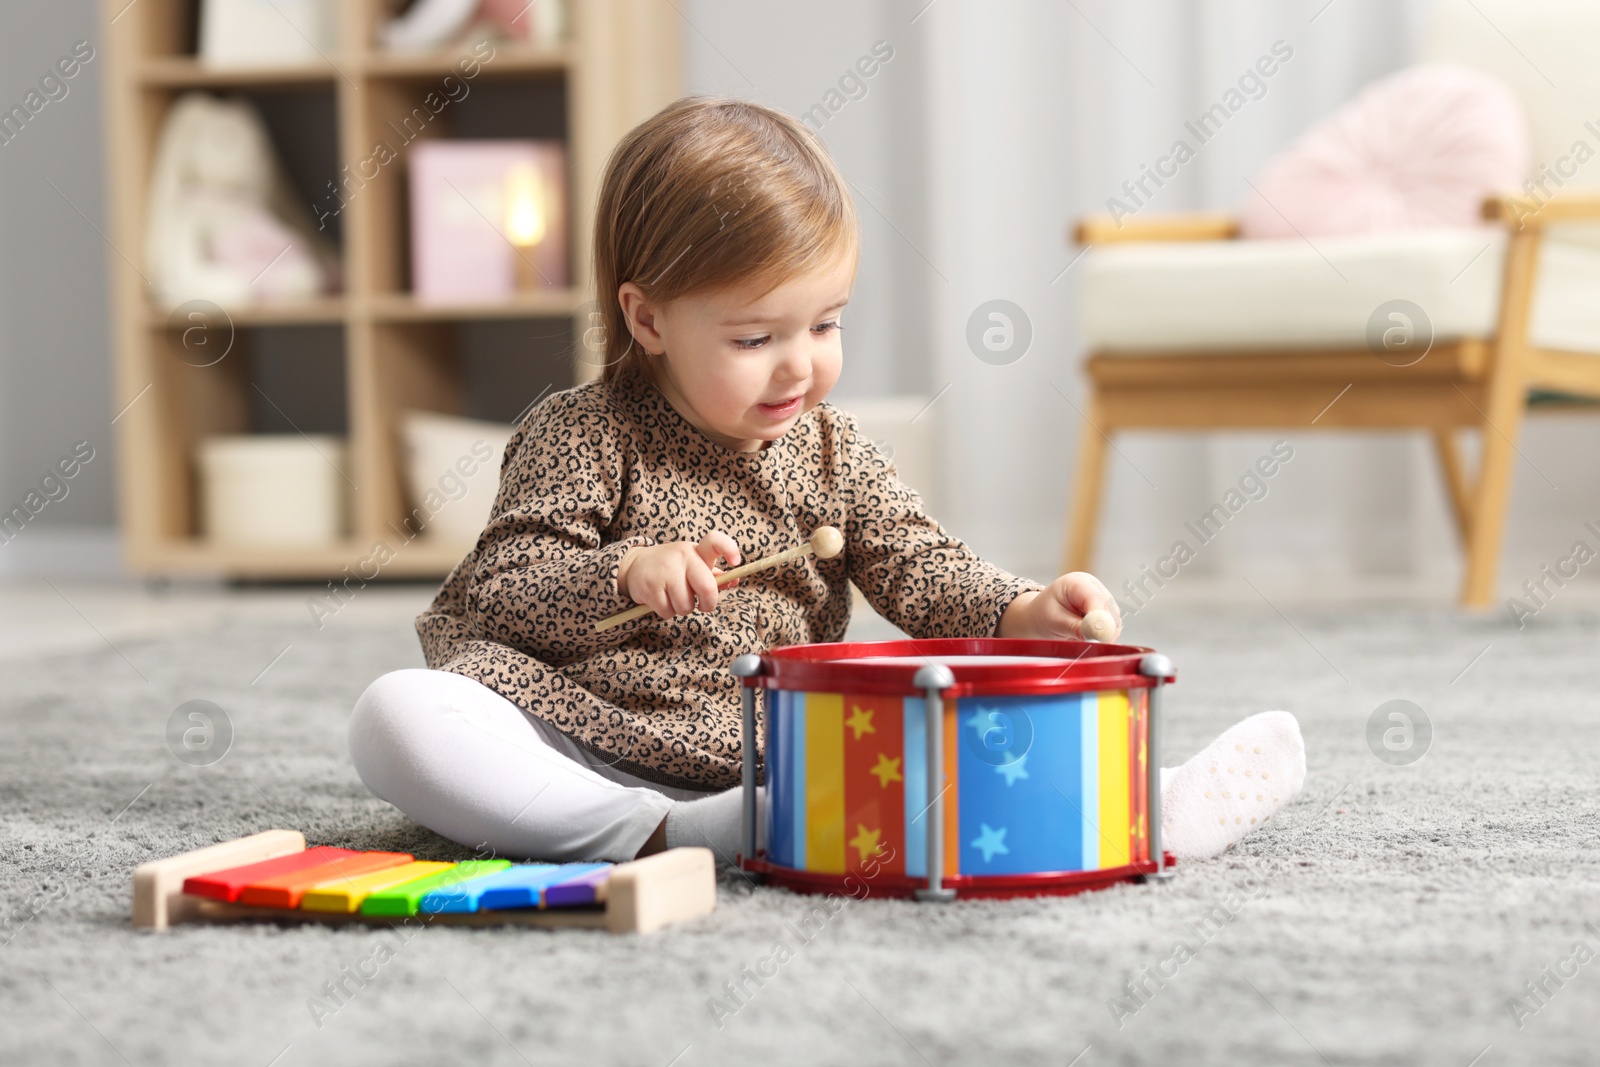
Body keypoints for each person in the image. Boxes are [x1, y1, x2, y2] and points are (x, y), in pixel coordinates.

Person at [348, 95, 1305, 868]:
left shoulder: (833, 449)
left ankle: (1139, 799)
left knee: (936, 719)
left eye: (826, 324)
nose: (799, 366)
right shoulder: (581, 432)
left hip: (775, 750)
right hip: (581, 736)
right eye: (755, 338)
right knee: (399, 716)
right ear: (647, 320)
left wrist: (1020, 608)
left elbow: (919, 565)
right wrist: (626, 571)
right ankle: (657, 834)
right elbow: (502, 589)